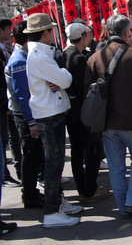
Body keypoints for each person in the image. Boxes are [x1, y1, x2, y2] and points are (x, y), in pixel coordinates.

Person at [86, 14, 132, 218]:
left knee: (116, 167)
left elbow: (87, 93)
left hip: (106, 123)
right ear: (126, 32)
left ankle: (124, 206)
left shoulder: (93, 58)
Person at [24, 13, 82, 228]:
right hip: (49, 114)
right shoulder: (39, 56)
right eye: (51, 30)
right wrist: (63, 73)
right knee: (53, 164)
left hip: (51, 111)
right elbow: (65, 80)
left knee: (55, 163)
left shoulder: (40, 54)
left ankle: (57, 203)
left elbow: (60, 80)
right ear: (46, 32)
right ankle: (51, 211)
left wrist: (59, 76)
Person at [60, 23, 110, 203]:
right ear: (83, 36)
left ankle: (83, 187)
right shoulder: (78, 58)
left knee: (77, 150)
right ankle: (89, 189)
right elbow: (85, 89)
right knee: (92, 149)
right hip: (82, 111)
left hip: (69, 110)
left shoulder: (64, 54)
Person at [4, 21, 44, 209]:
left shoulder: (23, 55)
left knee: (34, 155)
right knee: (31, 155)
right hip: (24, 115)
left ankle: (32, 192)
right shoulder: (19, 60)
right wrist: (31, 122)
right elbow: (22, 95)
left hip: (26, 114)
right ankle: (29, 194)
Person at [0, 19, 21, 188]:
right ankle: (6, 175)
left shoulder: (7, 50)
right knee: (6, 139)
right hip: (5, 105)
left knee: (11, 138)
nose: (10, 33)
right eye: (8, 29)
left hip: (8, 104)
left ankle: (12, 171)